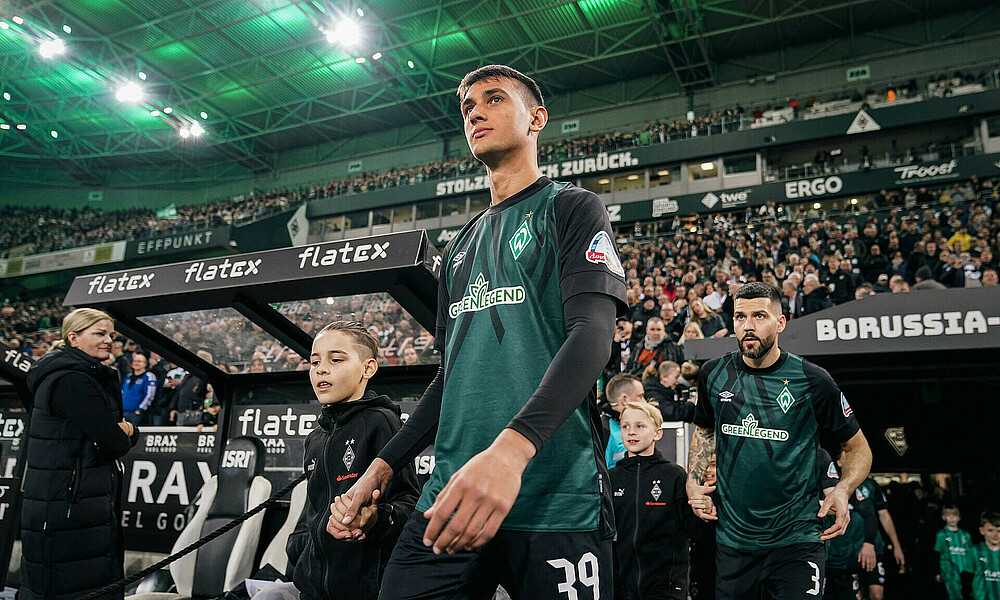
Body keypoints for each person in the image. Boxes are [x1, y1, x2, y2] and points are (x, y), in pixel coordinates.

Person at [331, 64, 627, 599]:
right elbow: (453, 378)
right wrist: (384, 464)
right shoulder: (460, 246)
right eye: (468, 107)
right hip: (449, 497)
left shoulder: (571, 207)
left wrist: (510, 452)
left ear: (537, 119)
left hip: (554, 498)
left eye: (493, 99)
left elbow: (593, 335)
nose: (475, 112)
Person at [686, 282, 872, 600]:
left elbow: (858, 449)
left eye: (759, 316)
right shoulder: (713, 374)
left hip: (796, 541)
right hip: (734, 544)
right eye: (740, 317)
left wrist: (842, 489)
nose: (748, 325)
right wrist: (692, 480)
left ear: (781, 322)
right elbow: (704, 430)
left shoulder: (813, 380)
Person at [259, 321, 420, 600]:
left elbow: (410, 504)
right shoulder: (316, 437)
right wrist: (298, 547)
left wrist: (376, 520)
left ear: (367, 369)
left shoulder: (383, 423)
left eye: (336, 359)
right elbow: (313, 511)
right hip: (311, 591)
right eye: (314, 361)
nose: (321, 369)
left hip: (367, 590)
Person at [20, 308, 140, 600]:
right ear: (73, 338)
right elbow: (114, 442)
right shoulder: (72, 381)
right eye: (99, 333)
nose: (108, 340)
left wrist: (121, 432)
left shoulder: (77, 375)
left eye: (111, 335)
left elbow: (108, 438)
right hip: (71, 511)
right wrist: (128, 431)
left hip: (72, 506)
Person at [610, 402, 692, 600]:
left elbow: (692, 528)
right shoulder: (612, 477)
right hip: (622, 585)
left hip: (665, 585)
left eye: (640, 426)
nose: (631, 432)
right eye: (625, 426)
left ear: (657, 433)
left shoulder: (675, 476)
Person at [854, 476, 906, 600]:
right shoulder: (837, 481)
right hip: (848, 548)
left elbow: (884, 515)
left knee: (877, 594)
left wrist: (897, 546)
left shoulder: (871, 484)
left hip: (873, 547)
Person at [603, 373, 647, 469]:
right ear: (624, 400)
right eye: (640, 396)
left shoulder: (644, 427)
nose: (645, 402)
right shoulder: (603, 430)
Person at [935, 505, 975, 600]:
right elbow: (937, 554)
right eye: (948, 515)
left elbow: (971, 553)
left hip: (965, 571)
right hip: (949, 572)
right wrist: (937, 572)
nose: (952, 518)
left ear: (959, 517)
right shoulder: (941, 534)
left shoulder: (966, 535)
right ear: (943, 517)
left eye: (954, 515)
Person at [121, 351, 157, 426]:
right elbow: (122, 392)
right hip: (124, 413)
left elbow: (149, 395)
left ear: (145, 364)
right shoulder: (128, 377)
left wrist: (140, 410)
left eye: (139, 361)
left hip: (136, 414)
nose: (136, 363)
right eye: (135, 361)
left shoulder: (149, 377)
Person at [972, 512, 1000, 600]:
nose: (996, 535)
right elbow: (967, 578)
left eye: (999, 531)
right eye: (990, 530)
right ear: (982, 531)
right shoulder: (974, 551)